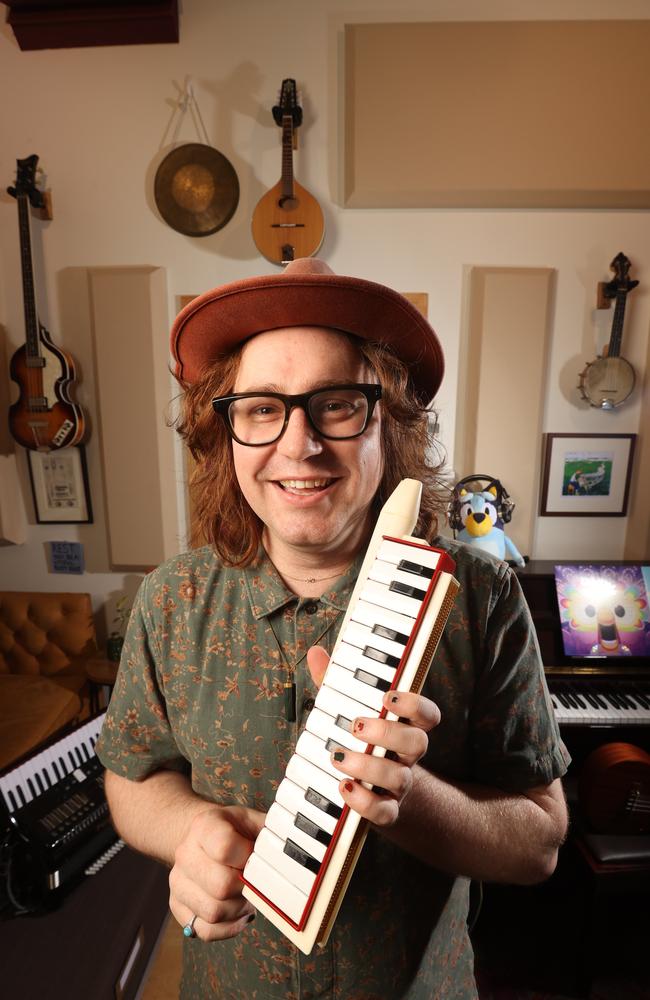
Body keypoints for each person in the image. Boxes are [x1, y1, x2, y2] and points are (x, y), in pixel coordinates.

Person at [96, 257, 569, 1000]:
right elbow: (132, 776)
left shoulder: (481, 598)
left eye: (337, 404)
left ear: (391, 424)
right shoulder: (169, 600)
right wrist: (191, 831)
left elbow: (541, 840)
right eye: (260, 408)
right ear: (226, 434)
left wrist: (414, 802)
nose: (298, 444)